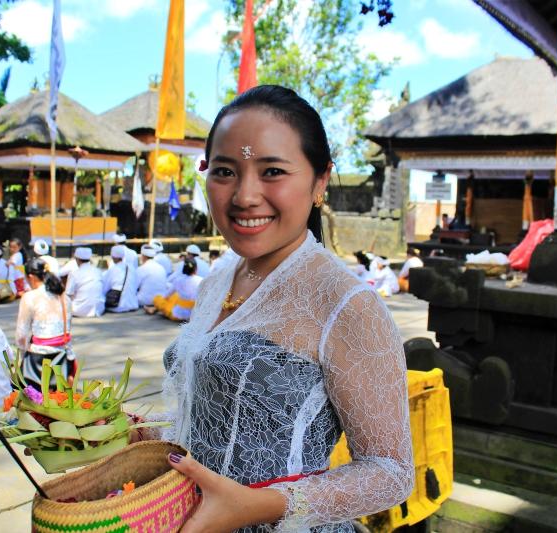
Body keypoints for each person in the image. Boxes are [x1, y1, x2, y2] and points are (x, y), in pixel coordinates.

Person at [144, 85, 413, 532]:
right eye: (225, 171)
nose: (245, 195)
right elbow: (218, 417)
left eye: (272, 171)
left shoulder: (346, 304)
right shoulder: (218, 280)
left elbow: (390, 472)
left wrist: (261, 505)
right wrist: (141, 434)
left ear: (320, 181)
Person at [16, 258, 75, 390]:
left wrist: (20, 359)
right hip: (63, 356)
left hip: (38, 360)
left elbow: (21, 336)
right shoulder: (64, 297)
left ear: (31, 277)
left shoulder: (30, 297)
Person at [149, 257, 202, 321]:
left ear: (184, 268)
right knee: (176, 297)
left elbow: (166, 296)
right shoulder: (201, 280)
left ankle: (154, 308)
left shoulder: (178, 280)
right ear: (196, 269)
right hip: (196, 314)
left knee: (157, 298)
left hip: (179, 315)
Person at [65, 247, 104, 317]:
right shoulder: (98, 271)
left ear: (77, 260)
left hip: (79, 310)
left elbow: (68, 294)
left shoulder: (74, 274)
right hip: (98, 309)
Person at [102, 245, 138, 313]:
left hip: (117, 306)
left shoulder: (113, 269)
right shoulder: (131, 268)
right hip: (133, 304)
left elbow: (105, 288)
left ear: (112, 256)